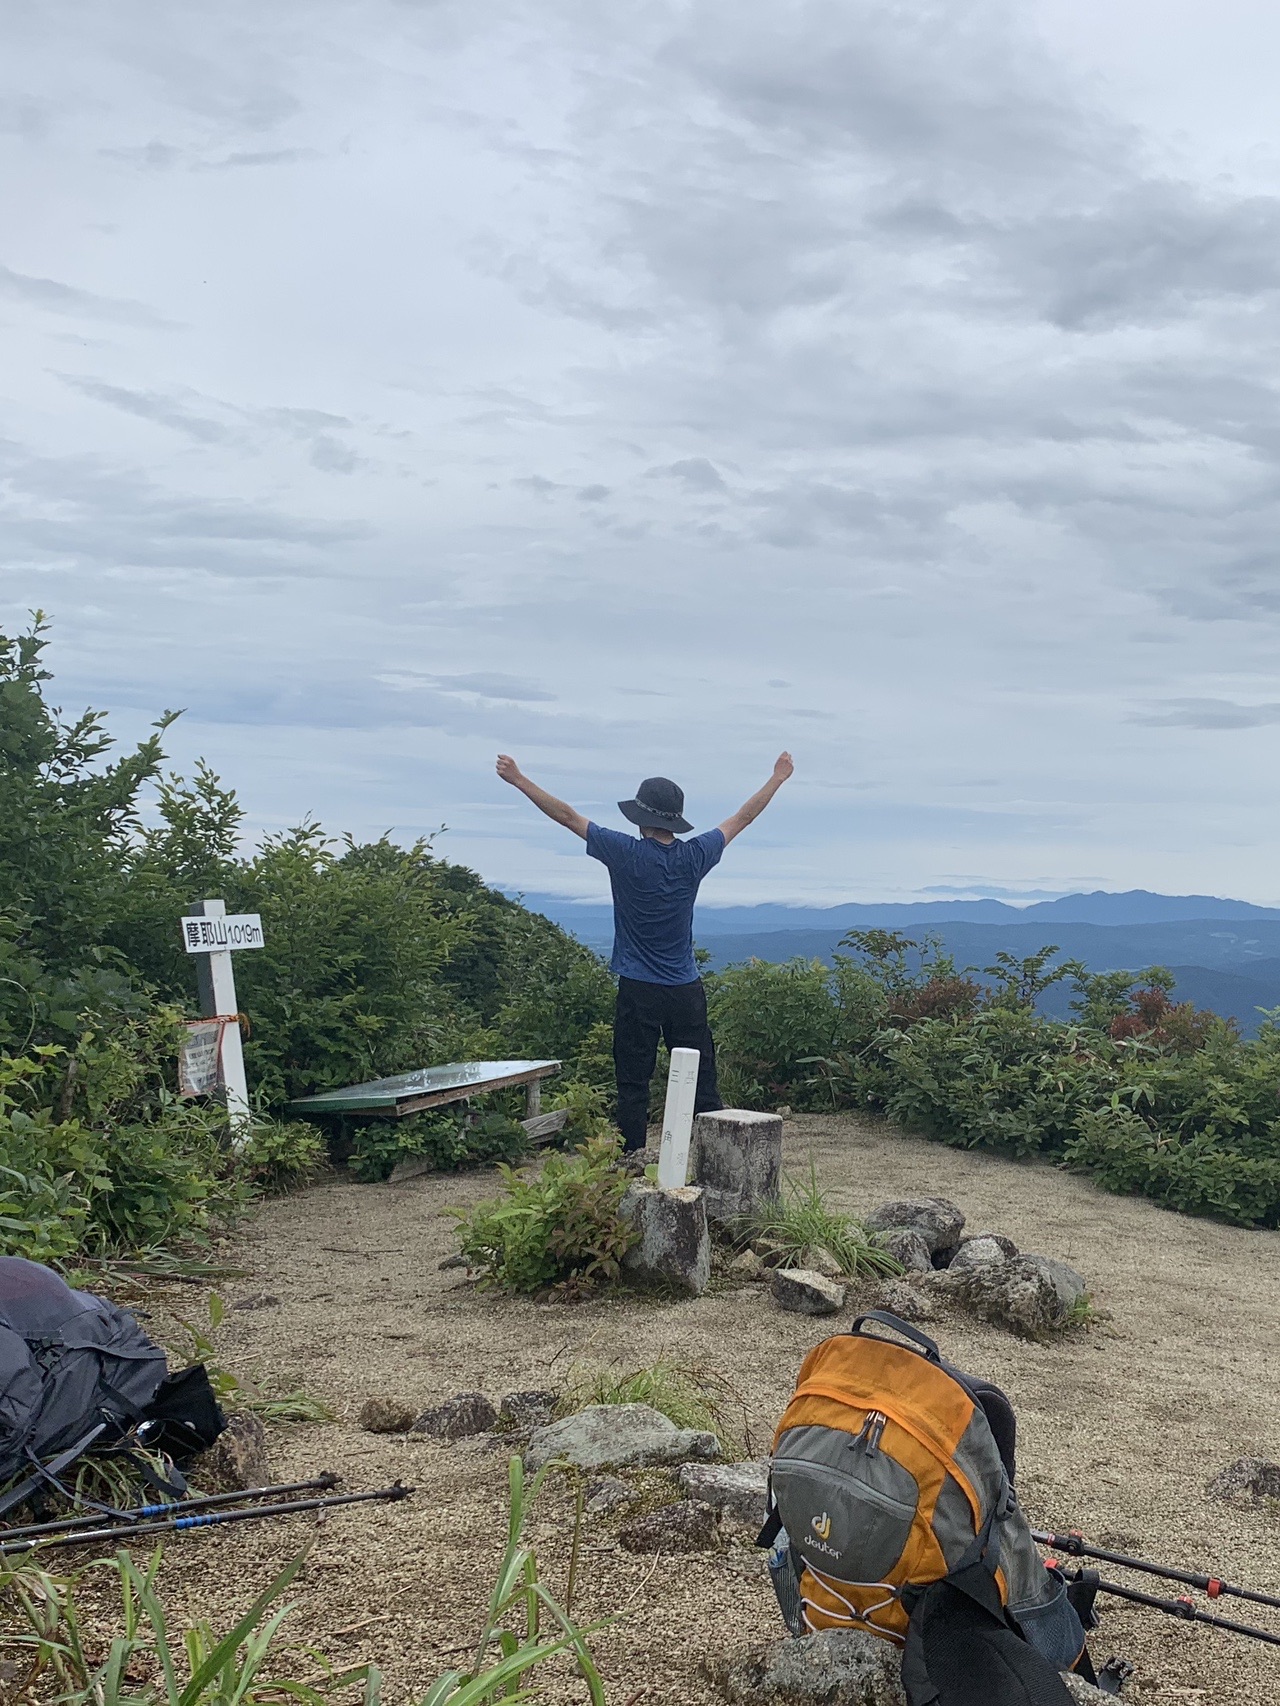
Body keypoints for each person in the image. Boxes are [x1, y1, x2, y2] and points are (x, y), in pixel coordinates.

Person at [495, 752, 794, 1149]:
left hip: (638, 988)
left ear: (640, 818)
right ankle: (720, 1161)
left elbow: (567, 816)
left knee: (633, 1082)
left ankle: (631, 1162)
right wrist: (777, 778)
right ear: (675, 819)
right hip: (686, 989)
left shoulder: (625, 853)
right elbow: (743, 817)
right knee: (702, 1081)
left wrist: (519, 779)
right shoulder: (696, 855)